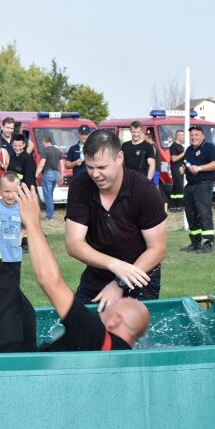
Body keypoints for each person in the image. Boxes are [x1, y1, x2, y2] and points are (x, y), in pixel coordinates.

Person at [0, 158, 150, 354]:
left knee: (2, 292)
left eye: (114, 306)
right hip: (25, 372)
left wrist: (32, 222)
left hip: (3, 372)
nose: (107, 307)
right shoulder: (116, 352)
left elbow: (50, 281)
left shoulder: (98, 339)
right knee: (24, 311)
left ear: (116, 320)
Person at [65, 130, 166, 311]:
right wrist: (115, 265)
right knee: (76, 329)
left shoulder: (145, 190)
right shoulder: (80, 186)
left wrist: (120, 283)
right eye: (90, 167)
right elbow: (73, 244)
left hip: (140, 275)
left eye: (102, 167)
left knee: (130, 336)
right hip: (98, 273)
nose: (95, 174)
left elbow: (157, 249)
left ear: (119, 157)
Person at [181, 124, 215, 253]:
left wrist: (199, 168)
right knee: (191, 215)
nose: (194, 137)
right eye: (192, 135)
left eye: (196, 135)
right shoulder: (188, 150)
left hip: (203, 185)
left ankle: (208, 243)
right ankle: (196, 242)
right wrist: (183, 168)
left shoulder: (209, 147)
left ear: (202, 136)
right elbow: (186, 163)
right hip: (190, 186)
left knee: (204, 214)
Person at [0, 171, 23, 284]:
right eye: (7, 191)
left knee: (13, 290)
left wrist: (21, 236)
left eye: (15, 192)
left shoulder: (22, 208)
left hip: (14, 258)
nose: (11, 195)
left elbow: (29, 224)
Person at [37, 135, 62, 220]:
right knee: (50, 194)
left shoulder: (45, 151)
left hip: (48, 173)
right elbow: (61, 164)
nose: (41, 144)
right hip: (56, 174)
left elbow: (41, 164)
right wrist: (61, 175)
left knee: (47, 195)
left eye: (42, 142)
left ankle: (49, 216)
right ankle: (52, 213)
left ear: (44, 141)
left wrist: (36, 175)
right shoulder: (58, 151)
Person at [168, 130, 185, 212]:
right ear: (177, 136)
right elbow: (174, 159)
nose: (183, 137)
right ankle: (178, 205)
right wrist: (184, 153)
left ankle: (174, 206)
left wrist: (183, 167)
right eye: (182, 135)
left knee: (177, 186)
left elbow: (183, 160)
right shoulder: (173, 146)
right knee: (179, 186)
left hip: (180, 168)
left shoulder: (181, 147)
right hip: (175, 168)